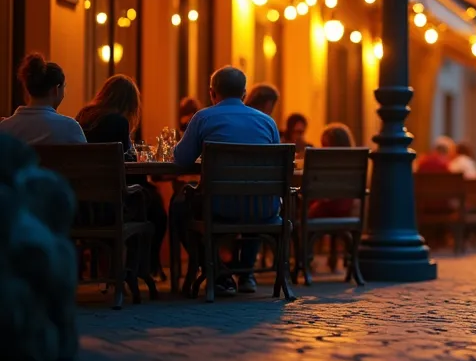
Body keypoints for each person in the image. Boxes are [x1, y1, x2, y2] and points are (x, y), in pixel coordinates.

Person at [171, 67, 282, 296]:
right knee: (253, 195)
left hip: (219, 206)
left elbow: (181, 160)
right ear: (244, 94)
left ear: (212, 93)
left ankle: (218, 272)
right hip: (263, 209)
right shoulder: (268, 123)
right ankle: (246, 273)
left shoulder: (203, 118)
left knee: (179, 206)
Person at [75, 75, 168, 276]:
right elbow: (127, 162)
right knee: (156, 208)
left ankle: (131, 267)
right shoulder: (118, 122)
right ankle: (139, 268)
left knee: (149, 198)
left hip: (82, 205)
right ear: (129, 103)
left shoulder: (83, 116)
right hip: (113, 203)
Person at [0, 53, 85, 145]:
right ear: (55, 90)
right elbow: (86, 158)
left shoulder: (4, 128)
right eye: (64, 87)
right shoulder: (70, 127)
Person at [307, 123, 358, 219]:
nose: (322, 149)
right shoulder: (353, 166)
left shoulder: (330, 168)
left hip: (329, 211)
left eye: (325, 145)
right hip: (346, 213)